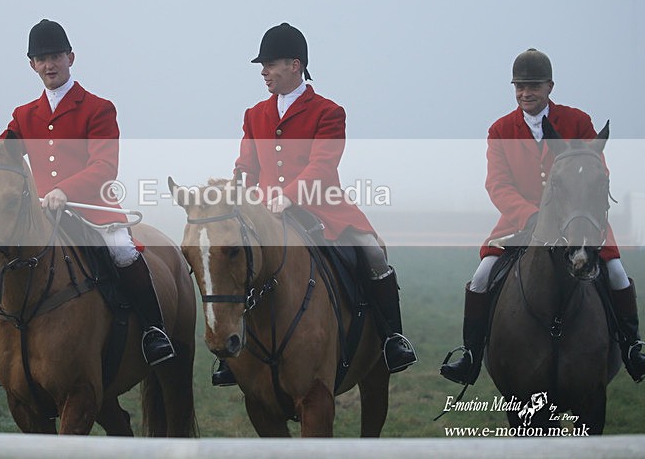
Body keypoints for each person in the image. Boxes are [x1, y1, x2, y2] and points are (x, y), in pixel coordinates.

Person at [0, 19, 175, 384]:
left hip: (93, 211)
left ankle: (153, 333)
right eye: (41, 58)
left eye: (56, 57)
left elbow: (104, 165)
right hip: (43, 215)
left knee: (124, 251)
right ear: (32, 65)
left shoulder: (98, 108)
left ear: (71, 57)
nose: (49, 65)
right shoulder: (24, 114)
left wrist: (66, 191)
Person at [212, 22, 418, 386]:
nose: (264, 72)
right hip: (263, 212)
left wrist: (288, 194)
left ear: (295, 65)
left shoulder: (328, 111)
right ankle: (234, 356)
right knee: (238, 262)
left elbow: (322, 166)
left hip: (322, 208)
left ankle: (392, 340)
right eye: (262, 65)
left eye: (271, 64)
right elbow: (246, 165)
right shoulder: (254, 114)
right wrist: (238, 194)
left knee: (372, 253)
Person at [440, 48, 645, 385]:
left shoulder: (578, 121)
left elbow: (596, 170)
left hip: (580, 220)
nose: (525, 93)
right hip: (519, 224)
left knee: (617, 273)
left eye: (533, 86)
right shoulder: (500, 130)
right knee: (480, 278)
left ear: (549, 86)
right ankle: (471, 356)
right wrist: (531, 215)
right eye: (519, 87)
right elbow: (497, 184)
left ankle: (632, 348)